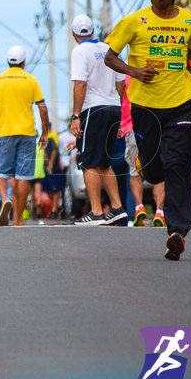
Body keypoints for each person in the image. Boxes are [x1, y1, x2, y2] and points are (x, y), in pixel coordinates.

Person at [104, 0, 191, 260]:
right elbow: (110, 56)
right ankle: (145, 162)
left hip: (181, 103)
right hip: (145, 106)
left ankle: (177, 231)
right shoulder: (134, 22)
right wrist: (134, 71)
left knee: (177, 164)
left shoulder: (190, 21)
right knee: (153, 169)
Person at [0, 45, 50, 227]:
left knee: (0, 172)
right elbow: (42, 107)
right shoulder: (31, 80)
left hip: (4, 134)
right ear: (24, 62)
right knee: (23, 176)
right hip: (27, 134)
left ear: (7, 61)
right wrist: (44, 133)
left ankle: (4, 199)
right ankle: (18, 219)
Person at [68, 14, 125, 226]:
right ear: (92, 31)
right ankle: (117, 207)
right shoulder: (107, 48)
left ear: (74, 34)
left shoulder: (79, 51)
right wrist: (116, 105)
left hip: (93, 109)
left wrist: (75, 115)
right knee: (104, 161)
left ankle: (96, 212)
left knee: (88, 161)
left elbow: (80, 84)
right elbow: (121, 82)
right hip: (113, 107)